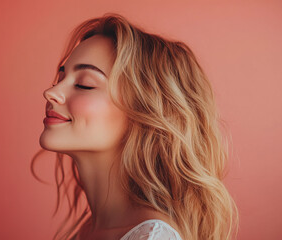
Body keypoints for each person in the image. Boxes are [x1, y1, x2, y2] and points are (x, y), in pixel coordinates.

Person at [36, 12, 238, 240]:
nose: (51, 92)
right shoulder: (88, 229)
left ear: (143, 113)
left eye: (84, 85)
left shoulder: (153, 237)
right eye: (60, 78)